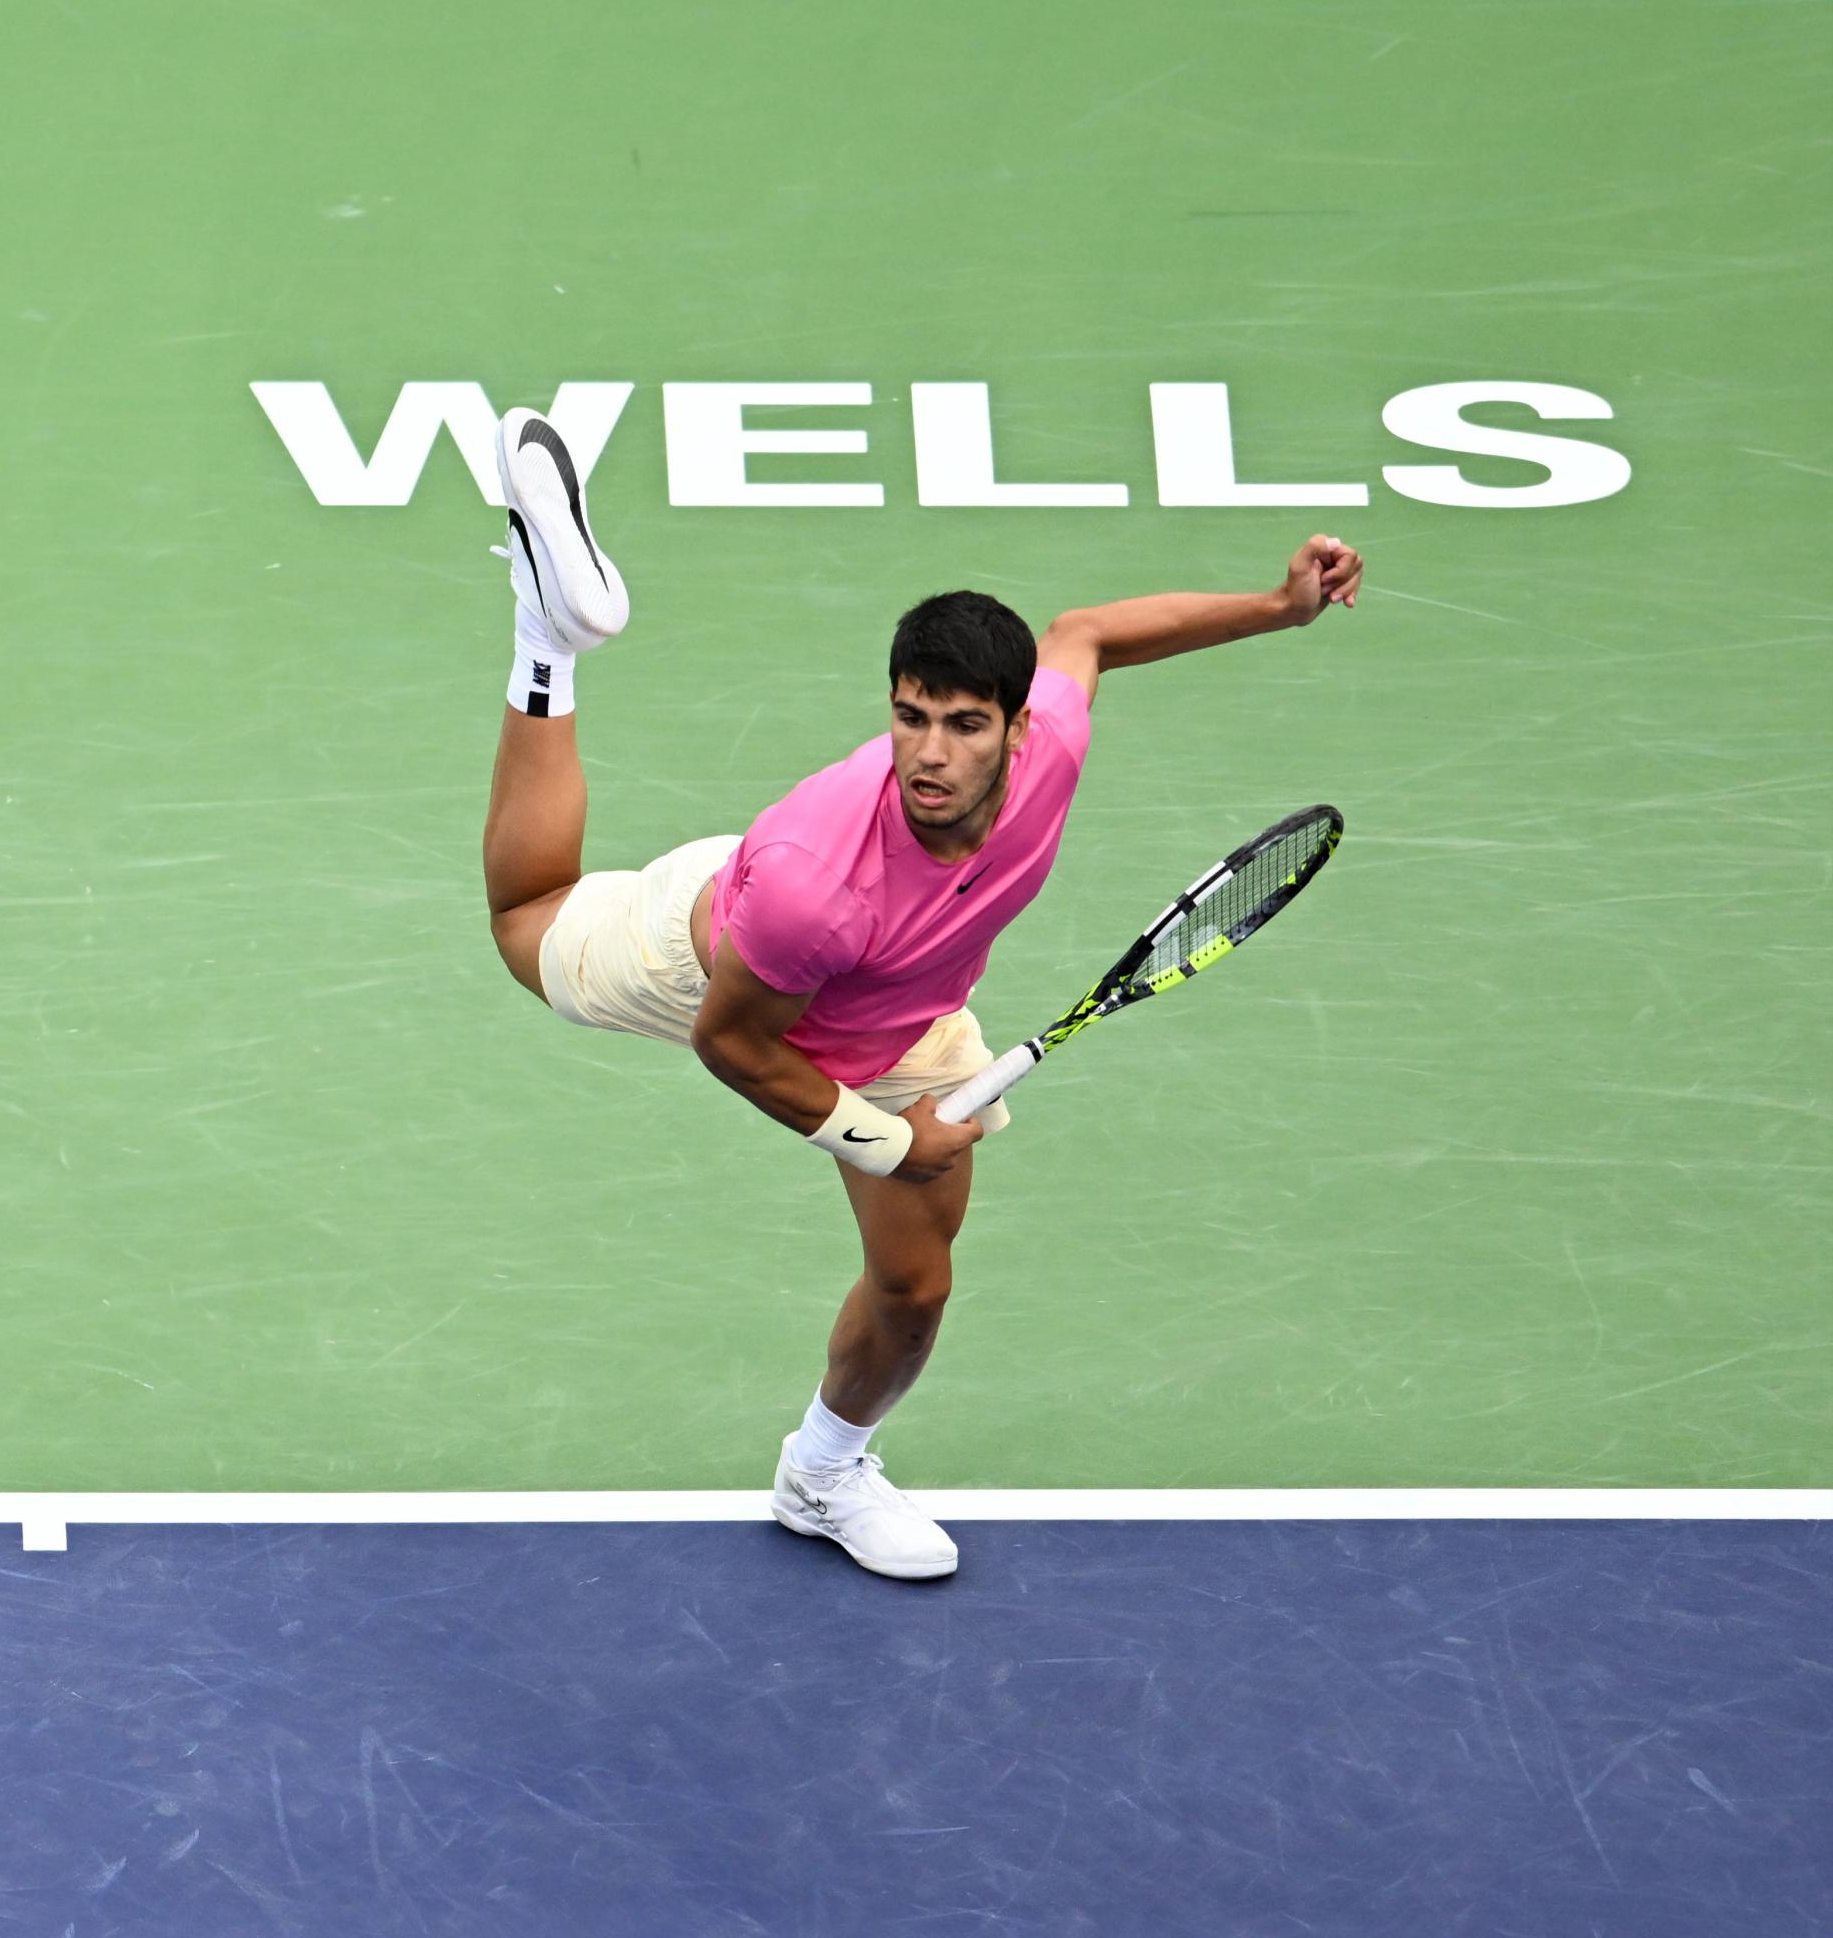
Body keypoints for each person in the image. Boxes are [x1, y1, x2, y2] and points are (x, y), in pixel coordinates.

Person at [480, 408, 1363, 1580]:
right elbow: (733, 1043)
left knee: (915, 1283)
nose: (929, 754)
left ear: (1012, 726)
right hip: (736, 957)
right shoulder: (808, 891)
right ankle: (548, 640)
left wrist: (1276, 606)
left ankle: (822, 1474)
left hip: (908, 1004)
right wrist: (886, 1138)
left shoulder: (1051, 743)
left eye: (960, 723)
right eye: (908, 717)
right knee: (523, 917)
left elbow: (1086, 632)